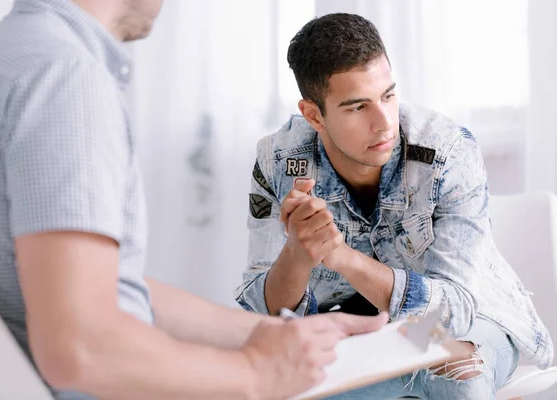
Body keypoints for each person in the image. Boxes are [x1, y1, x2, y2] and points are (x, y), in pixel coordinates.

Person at [0, 2, 389, 399]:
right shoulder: (66, 78)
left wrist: (275, 333)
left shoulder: (0, 58)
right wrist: (256, 372)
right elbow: (80, 346)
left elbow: (101, 287)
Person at [235, 12, 554, 399]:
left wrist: (342, 257)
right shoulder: (279, 161)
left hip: (461, 322)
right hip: (363, 331)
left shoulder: (448, 151)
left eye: (388, 95)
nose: (384, 122)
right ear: (314, 115)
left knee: (456, 375)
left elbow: (453, 312)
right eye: (357, 107)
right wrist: (298, 253)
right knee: (286, 383)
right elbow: (265, 317)